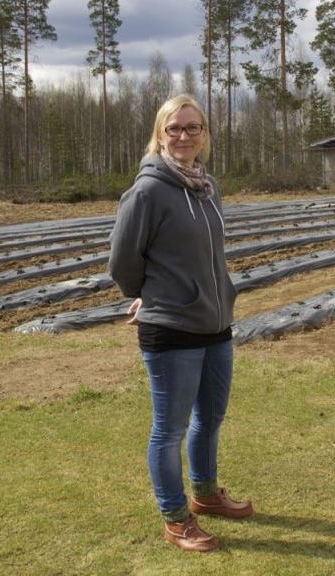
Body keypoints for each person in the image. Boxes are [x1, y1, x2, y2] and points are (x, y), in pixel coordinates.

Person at [108, 94, 253, 553]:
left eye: (193, 128)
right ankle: (175, 518)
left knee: (210, 417)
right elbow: (122, 260)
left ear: (205, 134)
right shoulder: (148, 190)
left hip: (215, 320)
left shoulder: (209, 187)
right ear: (159, 134)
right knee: (168, 429)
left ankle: (206, 494)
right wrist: (148, 295)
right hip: (171, 326)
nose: (184, 136)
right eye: (174, 128)